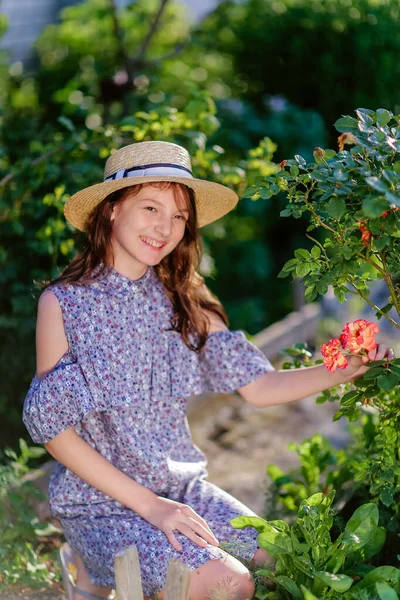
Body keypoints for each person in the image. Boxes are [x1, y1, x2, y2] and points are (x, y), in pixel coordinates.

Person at [23, 141, 394, 600]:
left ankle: (100, 580)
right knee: (227, 582)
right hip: (104, 504)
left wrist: (339, 371)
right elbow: (53, 430)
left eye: (179, 216)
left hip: (181, 490)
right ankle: (90, 570)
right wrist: (151, 507)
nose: (165, 227)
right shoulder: (64, 304)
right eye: (151, 207)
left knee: (281, 561)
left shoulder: (185, 298)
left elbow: (258, 387)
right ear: (112, 209)